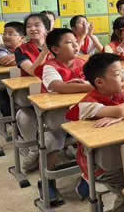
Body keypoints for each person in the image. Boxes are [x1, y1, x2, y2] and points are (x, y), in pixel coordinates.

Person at [66, 53, 124, 211]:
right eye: (117, 74)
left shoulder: (121, 94)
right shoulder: (87, 105)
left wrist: (122, 116)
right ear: (99, 82)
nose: (123, 78)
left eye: (122, 72)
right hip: (99, 166)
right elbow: (120, 110)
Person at [37, 28, 94, 202]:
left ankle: (88, 176)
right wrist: (89, 86)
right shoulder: (50, 66)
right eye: (69, 43)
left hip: (82, 112)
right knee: (51, 141)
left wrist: (81, 85)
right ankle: (46, 182)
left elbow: (96, 80)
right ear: (55, 49)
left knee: (98, 136)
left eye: (76, 42)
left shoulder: (83, 62)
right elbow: (58, 86)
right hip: (57, 117)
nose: (76, 45)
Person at [14, 13, 52, 172]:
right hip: (31, 95)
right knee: (23, 115)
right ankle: (34, 150)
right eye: (29, 26)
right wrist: (45, 52)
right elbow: (31, 71)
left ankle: (54, 149)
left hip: (55, 92)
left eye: (37, 25)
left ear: (46, 28)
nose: (32, 28)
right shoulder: (21, 49)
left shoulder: (57, 45)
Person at [0, 21, 25, 118]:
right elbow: (4, 61)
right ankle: (11, 120)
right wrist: (25, 58)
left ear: (21, 38)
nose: (6, 36)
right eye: (4, 33)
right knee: (1, 96)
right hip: (5, 87)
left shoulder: (27, 48)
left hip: (24, 85)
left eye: (10, 34)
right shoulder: (0, 49)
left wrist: (17, 57)